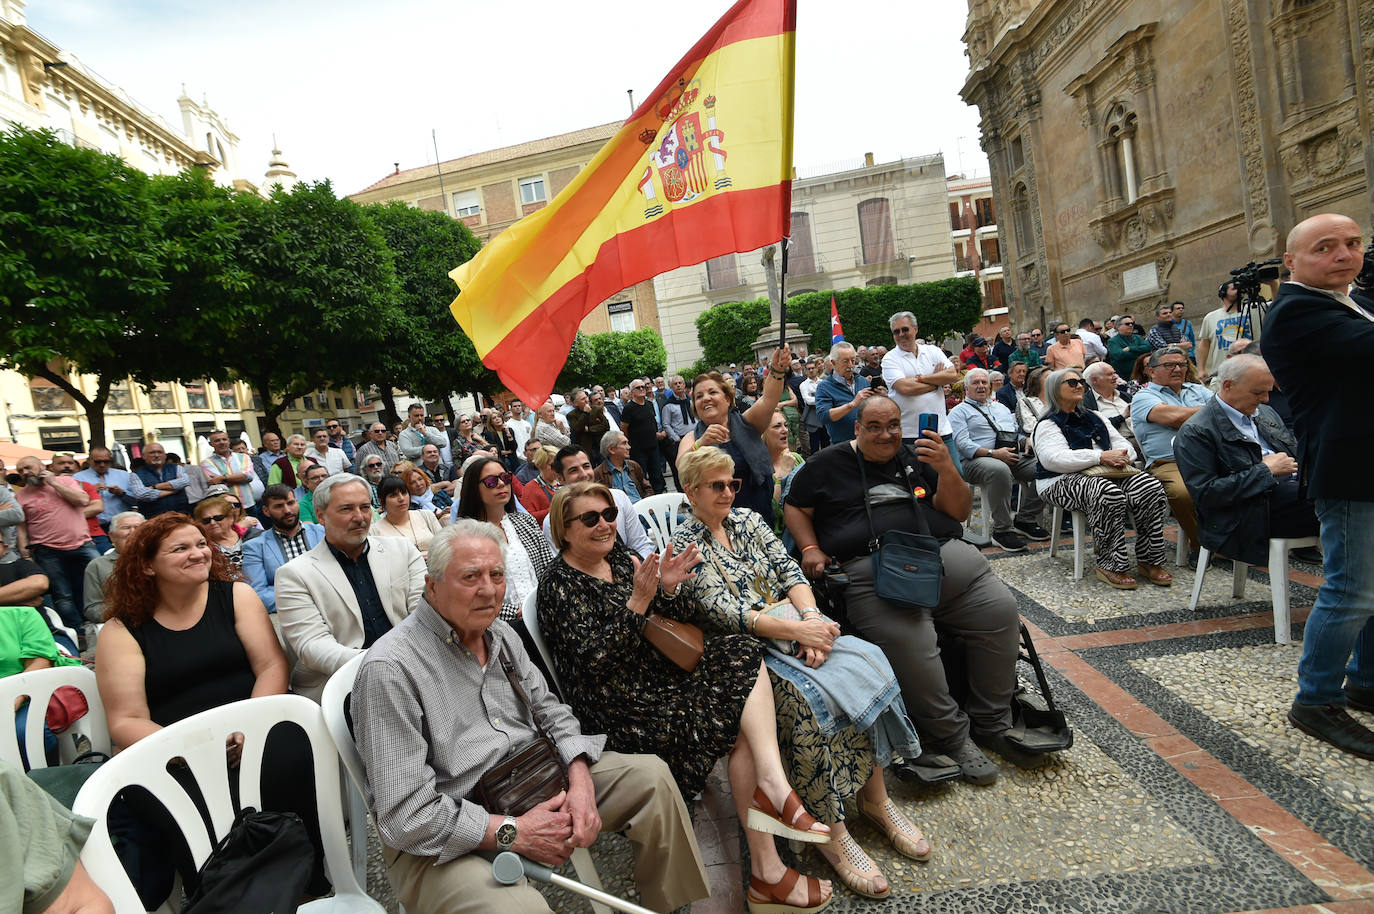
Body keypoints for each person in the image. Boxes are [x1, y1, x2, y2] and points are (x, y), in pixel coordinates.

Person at [350, 521, 709, 914]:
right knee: (519, 910)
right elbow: (406, 815)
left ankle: (669, 906)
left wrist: (580, 779)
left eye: (497, 575)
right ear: (432, 586)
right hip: (446, 830)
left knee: (652, 779)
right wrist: (513, 832)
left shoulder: (499, 633)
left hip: (530, 777)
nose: (488, 590)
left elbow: (551, 711)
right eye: (470, 577)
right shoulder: (391, 669)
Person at [539, 482, 835, 914]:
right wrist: (640, 601)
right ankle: (768, 870)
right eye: (590, 518)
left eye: (608, 514)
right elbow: (594, 665)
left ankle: (771, 809)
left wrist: (669, 589)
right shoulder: (558, 587)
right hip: (624, 707)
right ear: (564, 530)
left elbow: (667, 625)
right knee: (740, 729)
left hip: (661, 678)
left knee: (739, 650)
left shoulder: (619, 559)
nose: (604, 524)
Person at [674, 449, 929, 899]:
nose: (729, 492)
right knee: (808, 700)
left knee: (865, 661)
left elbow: (789, 570)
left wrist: (810, 620)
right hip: (743, 656)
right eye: (717, 485)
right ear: (691, 490)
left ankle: (876, 800)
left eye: (732, 483)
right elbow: (727, 613)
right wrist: (800, 630)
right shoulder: (685, 544)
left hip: (795, 626)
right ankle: (833, 831)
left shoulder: (749, 521)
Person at [785, 396, 1020, 785]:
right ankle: (952, 736)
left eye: (893, 425)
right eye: (874, 426)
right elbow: (796, 506)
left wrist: (946, 467)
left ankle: (993, 720)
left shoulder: (918, 456)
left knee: (1000, 612)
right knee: (914, 643)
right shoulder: (826, 464)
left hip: (948, 562)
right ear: (857, 428)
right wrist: (810, 547)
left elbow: (958, 512)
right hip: (878, 576)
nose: (886, 434)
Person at [93, 513, 328, 903]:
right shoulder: (122, 630)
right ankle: (218, 895)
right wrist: (195, 750)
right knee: (179, 798)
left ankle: (307, 881)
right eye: (180, 549)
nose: (198, 553)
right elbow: (126, 718)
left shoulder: (235, 596)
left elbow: (271, 665)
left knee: (289, 757)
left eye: (201, 544)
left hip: (251, 726)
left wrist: (251, 727)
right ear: (148, 566)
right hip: (173, 750)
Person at [1262, 213, 1374, 759]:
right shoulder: (1296, 311)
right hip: (1350, 467)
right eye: (1325, 247)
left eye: (1353, 244)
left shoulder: (1350, 302)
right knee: (1350, 590)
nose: (1344, 255)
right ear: (1292, 262)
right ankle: (1317, 699)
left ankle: (1366, 681)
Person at [275, 474, 426, 700]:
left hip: (413, 667)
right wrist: (385, 666)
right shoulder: (294, 574)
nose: (360, 517)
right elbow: (313, 646)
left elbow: (423, 613)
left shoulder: (402, 550)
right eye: (346, 509)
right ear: (320, 516)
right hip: (342, 684)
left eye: (365, 507)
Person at [1030, 369, 1173, 589]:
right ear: (1054, 389)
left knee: (1150, 487)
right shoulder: (1047, 423)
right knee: (1107, 493)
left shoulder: (1095, 416)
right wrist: (1100, 456)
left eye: (1081, 382)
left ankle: (1149, 559)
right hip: (1059, 480)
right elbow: (1053, 459)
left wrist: (1122, 457)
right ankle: (1111, 564)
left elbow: (1123, 444)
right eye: (1072, 382)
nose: (1079, 385)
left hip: (1108, 472)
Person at [1174, 354, 1318, 570]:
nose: (1266, 399)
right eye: (1258, 392)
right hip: (1245, 516)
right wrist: (1266, 471)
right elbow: (1206, 494)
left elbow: (1295, 452)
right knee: (1340, 502)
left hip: (1289, 495)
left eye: (1268, 391)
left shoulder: (1264, 412)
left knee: (1348, 490)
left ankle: (1349, 583)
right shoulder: (1197, 431)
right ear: (1228, 385)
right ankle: (1346, 588)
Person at [677, 347, 793, 521]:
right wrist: (702, 443)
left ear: (728, 399)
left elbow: (769, 398)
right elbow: (681, 466)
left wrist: (777, 369)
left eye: (712, 392)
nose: (706, 398)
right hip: (720, 521)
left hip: (760, 516)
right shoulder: (692, 437)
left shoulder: (747, 422)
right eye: (699, 396)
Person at [949, 368, 1049, 550]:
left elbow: (1013, 435)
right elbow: (963, 445)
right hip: (975, 461)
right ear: (966, 388)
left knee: (1047, 465)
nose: (981, 386)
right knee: (999, 469)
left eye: (984, 382)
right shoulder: (958, 412)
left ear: (990, 386)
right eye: (976, 383)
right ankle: (1002, 531)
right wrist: (993, 453)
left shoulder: (1001, 408)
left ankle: (1025, 519)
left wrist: (1025, 440)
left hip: (1009, 455)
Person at [1129, 345, 1213, 553]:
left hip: (1210, 457)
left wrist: (1203, 412)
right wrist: (1210, 410)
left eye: (1181, 364)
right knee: (1182, 493)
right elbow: (1173, 419)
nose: (1177, 369)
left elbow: (1227, 413)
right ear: (1152, 371)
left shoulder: (1198, 390)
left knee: (1251, 479)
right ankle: (1201, 545)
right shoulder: (1143, 396)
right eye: (1169, 365)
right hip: (1169, 462)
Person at [455, 456, 554, 620]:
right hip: (497, 624)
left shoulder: (526, 521)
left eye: (506, 478)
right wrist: (517, 613)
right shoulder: (463, 536)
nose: (501, 484)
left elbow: (548, 569)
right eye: (491, 482)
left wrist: (542, 604)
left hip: (544, 614)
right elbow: (470, 593)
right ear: (474, 489)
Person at [13, 456, 98, 631]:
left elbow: (82, 501)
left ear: (42, 467)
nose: (25, 472)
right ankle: (78, 632)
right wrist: (26, 555)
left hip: (82, 544)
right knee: (62, 595)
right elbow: (22, 528)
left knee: (100, 584)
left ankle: (103, 622)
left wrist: (53, 483)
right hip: (46, 550)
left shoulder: (65, 480)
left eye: (28, 467)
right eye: (20, 470)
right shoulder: (20, 496)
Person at [542, 446, 655, 558]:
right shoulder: (554, 520)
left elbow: (641, 544)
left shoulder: (619, 498)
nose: (584, 474)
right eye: (574, 470)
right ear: (560, 478)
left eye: (586, 466)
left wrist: (639, 569)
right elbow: (563, 563)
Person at [882, 311, 961, 467]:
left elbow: (952, 374)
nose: (901, 334)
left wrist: (920, 379)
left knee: (956, 477)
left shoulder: (933, 351)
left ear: (915, 329)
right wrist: (937, 380)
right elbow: (905, 388)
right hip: (909, 435)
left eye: (905, 329)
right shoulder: (889, 359)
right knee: (919, 486)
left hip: (941, 431)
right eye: (896, 331)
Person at [241, 484, 326, 622]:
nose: (287, 510)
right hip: (292, 617)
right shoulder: (254, 547)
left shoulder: (323, 532)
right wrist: (308, 598)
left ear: (297, 502)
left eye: (291, 503)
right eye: (279, 506)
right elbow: (257, 594)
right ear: (266, 511)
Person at [83, 511, 145, 641]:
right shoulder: (97, 566)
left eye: (139, 528)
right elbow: (92, 609)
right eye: (126, 528)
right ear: (112, 537)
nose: (133, 532)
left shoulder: (161, 560)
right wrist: (128, 610)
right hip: (122, 627)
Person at [1196, 282, 1260, 387]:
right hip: (1221, 373)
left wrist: (1273, 285)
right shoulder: (1210, 317)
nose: (1239, 290)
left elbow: (1277, 305)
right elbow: (1205, 343)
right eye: (1234, 288)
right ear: (1223, 292)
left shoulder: (1254, 309)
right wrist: (1201, 369)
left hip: (1253, 369)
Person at [372, 475, 444, 560]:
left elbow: (444, 545)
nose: (401, 498)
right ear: (381, 501)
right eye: (393, 495)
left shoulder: (426, 515)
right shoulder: (375, 530)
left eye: (404, 493)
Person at [1083, 362, 1143, 463]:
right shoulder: (1086, 403)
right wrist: (1122, 417)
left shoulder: (1125, 396)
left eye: (1114, 373)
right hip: (1117, 448)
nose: (1116, 377)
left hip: (1142, 441)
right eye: (1110, 374)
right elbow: (1095, 428)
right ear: (1095, 380)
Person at [814, 342, 872, 445]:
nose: (850, 365)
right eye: (845, 361)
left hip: (868, 443)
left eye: (853, 360)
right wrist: (852, 404)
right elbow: (824, 416)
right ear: (833, 362)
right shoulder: (824, 387)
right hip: (843, 447)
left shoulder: (863, 381)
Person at [73, 446, 143, 530]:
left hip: (121, 525)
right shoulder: (77, 478)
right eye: (97, 462)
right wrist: (90, 492)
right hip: (93, 526)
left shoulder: (124, 475)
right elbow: (74, 502)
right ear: (89, 461)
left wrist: (122, 493)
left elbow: (137, 501)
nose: (102, 465)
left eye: (106, 461)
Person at [193, 495, 260, 580]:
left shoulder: (254, 536)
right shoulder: (204, 550)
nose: (212, 522)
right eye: (206, 520)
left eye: (218, 518)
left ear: (231, 518)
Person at [619, 379, 665, 494]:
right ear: (632, 391)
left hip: (653, 446)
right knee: (640, 477)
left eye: (643, 387)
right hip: (638, 450)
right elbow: (624, 428)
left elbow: (651, 422)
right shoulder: (629, 408)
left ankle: (659, 499)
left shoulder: (649, 404)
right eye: (638, 387)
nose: (641, 389)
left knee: (657, 476)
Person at [200, 429, 258, 513]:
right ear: (210, 444)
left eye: (224, 439)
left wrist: (223, 478)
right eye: (217, 440)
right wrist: (239, 477)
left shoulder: (243, 457)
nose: (222, 442)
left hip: (249, 504)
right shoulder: (206, 463)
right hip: (227, 508)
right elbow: (217, 484)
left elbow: (248, 476)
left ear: (229, 441)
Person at [765, 409, 805, 532]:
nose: (785, 430)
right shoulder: (758, 469)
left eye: (785, 425)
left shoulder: (796, 458)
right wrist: (783, 473)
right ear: (763, 433)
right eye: (777, 426)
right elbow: (772, 513)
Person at [129, 442, 190, 517]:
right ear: (144, 456)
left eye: (160, 452)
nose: (156, 455)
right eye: (152, 453)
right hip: (153, 519)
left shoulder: (177, 468)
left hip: (181, 515)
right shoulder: (136, 474)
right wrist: (174, 490)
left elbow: (185, 481)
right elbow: (142, 494)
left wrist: (155, 487)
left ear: (164, 455)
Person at [594, 430, 647, 504]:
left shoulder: (634, 466)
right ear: (611, 449)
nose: (629, 447)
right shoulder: (598, 474)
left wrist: (647, 505)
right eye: (624, 443)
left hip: (642, 509)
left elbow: (647, 488)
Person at [567, 388, 612, 467]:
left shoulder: (596, 409)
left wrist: (589, 429)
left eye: (586, 397)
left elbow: (605, 426)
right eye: (583, 399)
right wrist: (585, 413)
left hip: (600, 446)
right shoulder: (571, 415)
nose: (586, 400)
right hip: (587, 449)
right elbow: (577, 428)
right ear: (575, 403)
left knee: (605, 468)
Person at [1106, 315, 1151, 379]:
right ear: (1118, 327)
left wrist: (1131, 348)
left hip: (1142, 373)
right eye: (1127, 324)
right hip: (1126, 376)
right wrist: (1140, 353)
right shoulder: (1113, 341)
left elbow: (1148, 348)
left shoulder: (1138, 337)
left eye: (1132, 323)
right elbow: (1119, 355)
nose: (1131, 325)